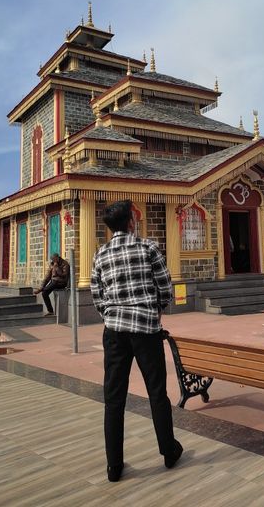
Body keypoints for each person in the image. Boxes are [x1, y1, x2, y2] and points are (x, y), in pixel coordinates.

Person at [90, 199, 183, 482]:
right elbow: (165, 288)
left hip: (114, 331)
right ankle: (168, 450)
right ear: (131, 222)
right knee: (156, 391)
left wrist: (112, 314)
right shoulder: (148, 247)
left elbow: (98, 295)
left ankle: (114, 465)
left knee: (113, 397)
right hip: (145, 329)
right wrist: (154, 309)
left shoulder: (100, 254)